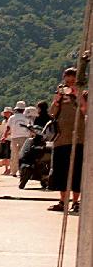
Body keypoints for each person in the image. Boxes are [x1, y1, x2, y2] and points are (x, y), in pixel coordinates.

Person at [47, 66, 87, 212]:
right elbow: (51, 113)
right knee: (61, 171)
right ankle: (62, 201)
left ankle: (76, 201)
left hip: (78, 138)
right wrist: (57, 100)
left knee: (76, 171)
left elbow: (85, 110)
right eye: (67, 80)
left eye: (72, 80)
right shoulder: (60, 93)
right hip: (61, 139)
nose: (69, 84)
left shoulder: (84, 93)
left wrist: (78, 95)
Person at [4, 101, 31, 177]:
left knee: (14, 154)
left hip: (14, 137)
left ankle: (13, 171)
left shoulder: (12, 117)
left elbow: (8, 127)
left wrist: (4, 135)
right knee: (22, 155)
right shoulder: (26, 117)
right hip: (24, 137)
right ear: (23, 109)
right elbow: (30, 127)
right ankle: (21, 170)